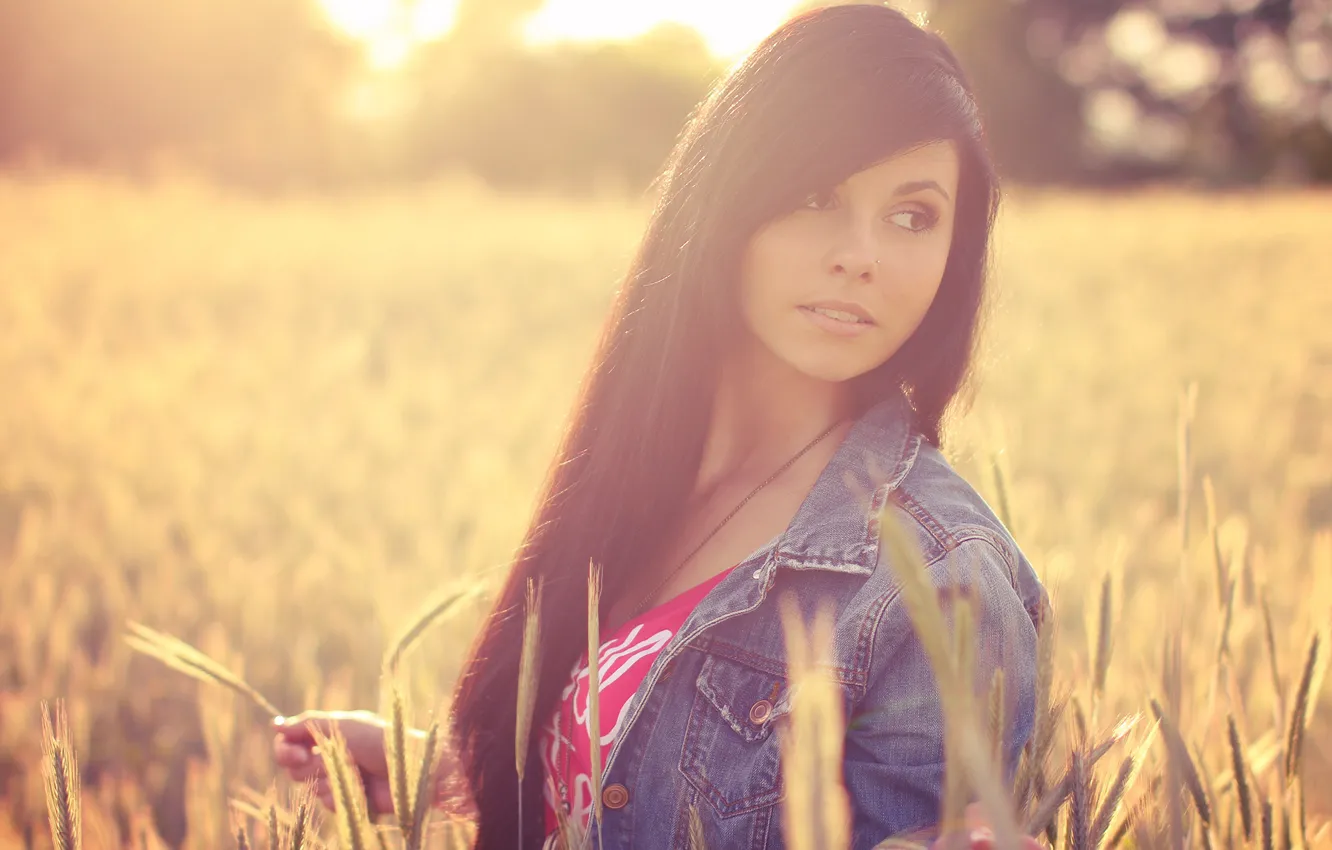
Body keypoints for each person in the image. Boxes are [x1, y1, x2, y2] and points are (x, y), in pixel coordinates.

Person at [273, 4, 1049, 849]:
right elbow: (654, 783)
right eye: (818, 194)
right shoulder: (647, 479)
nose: (861, 253)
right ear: (727, 198)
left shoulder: (941, 581)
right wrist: (447, 775)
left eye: (912, 215)